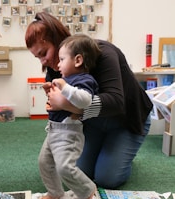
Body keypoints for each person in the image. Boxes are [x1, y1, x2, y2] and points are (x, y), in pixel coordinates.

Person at [25, 12, 153, 189]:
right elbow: (61, 114)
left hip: (127, 119)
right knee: (77, 171)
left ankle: (124, 157)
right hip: (94, 123)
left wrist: (66, 105)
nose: (44, 61)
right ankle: (108, 151)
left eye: (44, 53)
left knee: (107, 178)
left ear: (57, 40)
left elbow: (116, 102)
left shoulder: (103, 52)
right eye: (37, 57)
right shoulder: (56, 69)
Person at [38, 34, 99, 199]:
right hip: (53, 130)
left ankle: (87, 190)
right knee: (44, 162)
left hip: (69, 133)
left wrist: (64, 88)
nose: (58, 64)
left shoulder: (84, 80)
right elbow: (61, 103)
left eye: (62, 59)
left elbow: (85, 100)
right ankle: (55, 191)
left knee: (64, 167)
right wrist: (50, 92)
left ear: (78, 60)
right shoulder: (66, 79)